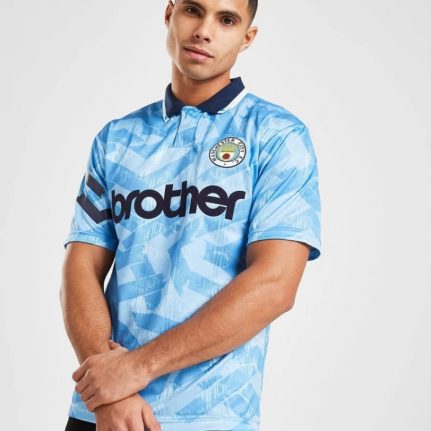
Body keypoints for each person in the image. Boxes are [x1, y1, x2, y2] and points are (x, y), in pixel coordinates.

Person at [60, 0, 322, 430]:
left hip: (208, 416)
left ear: (247, 38)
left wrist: (135, 370)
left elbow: (275, 284)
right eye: (193, 10)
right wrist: (111, 392)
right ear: (169, 15)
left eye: (226, 19)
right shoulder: (116, 138)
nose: (204, 30)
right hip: (101, 412)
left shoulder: (277, 135)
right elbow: (81, 268)